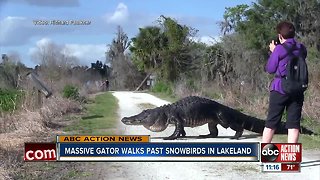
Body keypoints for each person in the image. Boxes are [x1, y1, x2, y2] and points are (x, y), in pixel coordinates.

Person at [262, 21, 307, 143]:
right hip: (297, 89)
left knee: (271, 123)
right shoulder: (302, 48)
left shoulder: (279, 49)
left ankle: (265, 156)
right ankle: (292, 159)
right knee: (293, 125)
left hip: (280, 88)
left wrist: (273, 51)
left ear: (280, 36)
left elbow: (270, 69)